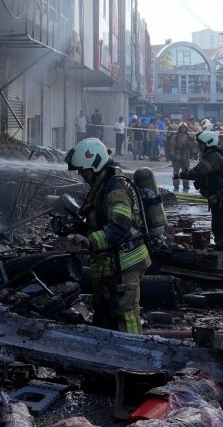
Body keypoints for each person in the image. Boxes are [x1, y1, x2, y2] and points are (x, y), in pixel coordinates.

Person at [64, 137, 151, 333]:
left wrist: (90, 240)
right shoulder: (101, 187)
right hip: (111, 264)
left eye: (83, 170)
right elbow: (98, 221)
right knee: (103, 313)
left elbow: (119, 228)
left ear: (95, 166)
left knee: (125, 315)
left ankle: (134, 356)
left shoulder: (115, 191)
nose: (80, 174)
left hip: (125, 263)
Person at [179, 130, 223, 267]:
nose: (199, 147)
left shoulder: (213, 157)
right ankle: (221, 247)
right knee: (218, 226)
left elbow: (199, 171)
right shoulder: (210, 155)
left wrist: (184, 174)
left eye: (200, 144)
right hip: (216, 198)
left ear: (208, 143)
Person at [167, 123, 195, 191]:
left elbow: (193, 145)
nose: (183, 129)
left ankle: (186, 185)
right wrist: (172, 155)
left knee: (185, 171)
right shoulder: (175, 137)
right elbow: (171, 147)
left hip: (185, 156)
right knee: (176, 172)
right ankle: (176, 185)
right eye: (182, 128)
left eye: (184, 128)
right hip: (177, 156)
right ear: (179, 128)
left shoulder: (188, 137)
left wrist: (189, 144)